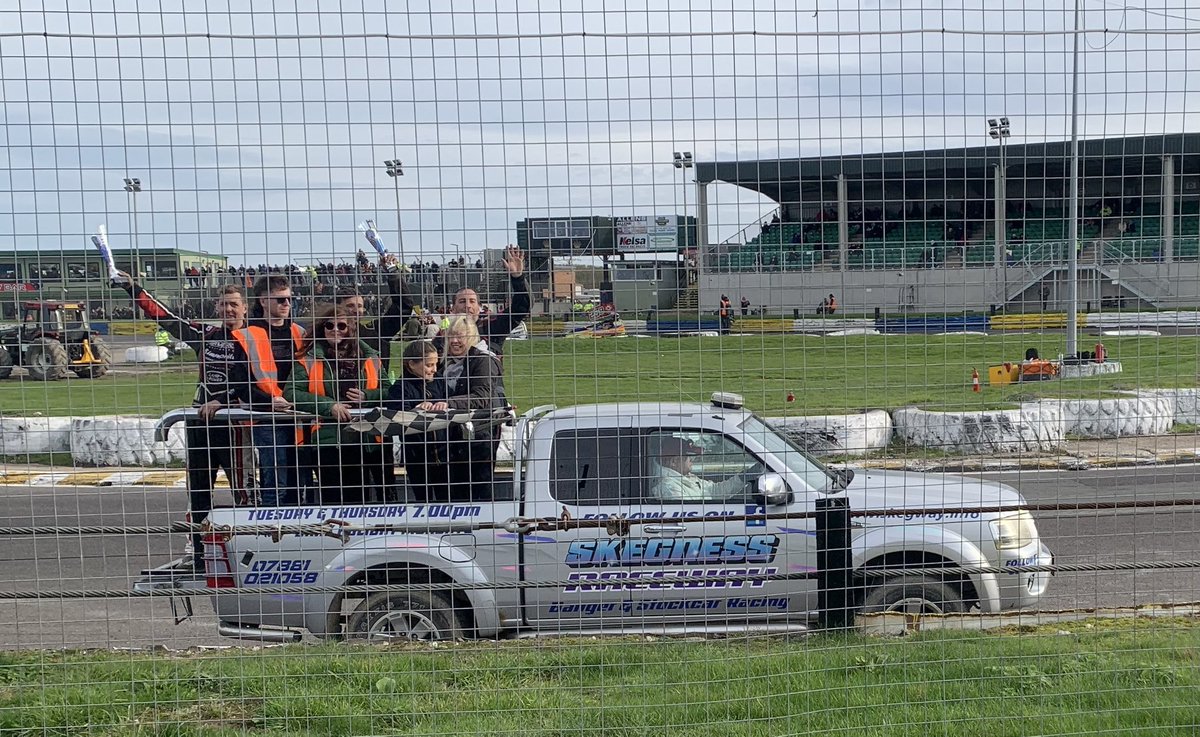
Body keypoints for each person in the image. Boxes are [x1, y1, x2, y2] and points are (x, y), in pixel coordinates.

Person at [113, 272, 255, 568]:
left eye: (233, 304)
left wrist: (227, 402)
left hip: (236, 425)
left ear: (245, 308)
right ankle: (198, 552)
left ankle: (248, 550)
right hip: (200, 425)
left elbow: (262, 383)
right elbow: (166, 317)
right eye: (223, 304)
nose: (228, 310)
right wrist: (133, 289)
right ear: (216, 308)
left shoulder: (255, 338)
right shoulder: (206, 335)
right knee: (199, 491)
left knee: (245, 491)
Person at [286, 304, 389, 506]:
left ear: (350, 328)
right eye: (329, 325)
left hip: (364, 438)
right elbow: (291, 392)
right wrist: (329, 406)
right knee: (331, 500)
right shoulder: (308, 358)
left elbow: (389, 391)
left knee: (360, 500)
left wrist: (367, 396)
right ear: (321, 328)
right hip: (326, 438)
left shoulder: (370, 357)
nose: (335, 330)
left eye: (341, 326)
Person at [245, 275, 305, 506]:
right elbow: (240, 380)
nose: (287, 304)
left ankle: (300, 523)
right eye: (280, 300)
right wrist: (268, 400)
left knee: (300, 473)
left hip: (299, 412)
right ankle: (273, 527)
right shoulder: (247, 333)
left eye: (289, 299)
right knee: (275, 473)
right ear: (262, 301)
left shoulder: (300, 332)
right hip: (267, 414)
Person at [440, 315, 505, 501]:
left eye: (460, 336)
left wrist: (449, 403)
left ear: (471, 337)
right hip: (453, 437)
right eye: (451, 335)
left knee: (478, 491)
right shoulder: (445, 363)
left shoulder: (484, 361)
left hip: (479, 435)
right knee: (455, 491)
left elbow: (482, 396)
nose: (454, 341)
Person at [384, 340, 452, 502]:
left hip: (445, 453)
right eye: (429, 365)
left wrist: (447, 404)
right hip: (417, 455)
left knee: (448, 499)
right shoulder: (400, 388)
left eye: (436, 364)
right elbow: (395, 418)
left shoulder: (440, 383)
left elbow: (452, 403)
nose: (434, 370)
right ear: (412, 364)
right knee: (423, 499)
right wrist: (414, 412)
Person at [435, 245, 529, 357]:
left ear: (479, 307)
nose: (467, 306)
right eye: (462, 301)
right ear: (453, 308)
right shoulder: (444, 334)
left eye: (472, 301)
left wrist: (518, 278)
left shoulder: (491, 326)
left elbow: (521, 308)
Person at [648, 436, 748, 502]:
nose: (692, 461)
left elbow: (714, 490)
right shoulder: (669, 488)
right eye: (689, 457)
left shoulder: (684, 477)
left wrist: (743, 477)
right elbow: (691, 513)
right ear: (674, 462)